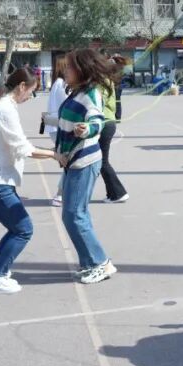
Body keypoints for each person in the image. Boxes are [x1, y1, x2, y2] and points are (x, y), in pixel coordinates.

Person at [0, 67, 55, 294]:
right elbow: (22, 148)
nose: (31, 96)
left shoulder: (5, 105)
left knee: (16, 228)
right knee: (23, 229)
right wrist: (55, 155)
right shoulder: (5, 109)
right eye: (31, 91)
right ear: (21, 87)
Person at [55, 48, 118, 285]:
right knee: (76, 214)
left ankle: (100, 263)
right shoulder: (77, 91)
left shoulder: (91, 93)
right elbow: (69, 120)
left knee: (73, 215)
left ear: (82, 69)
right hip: (73, 160)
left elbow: (97, 120)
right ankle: (90, 262)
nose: (66, 70)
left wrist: (87, 129)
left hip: (84, 160)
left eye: (70, 67)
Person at [98, 65, 129, 204]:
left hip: (105, 123)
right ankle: (112, 193)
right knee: (101, 161)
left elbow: (99, 102)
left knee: (102, 161)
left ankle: (119, 193)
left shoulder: (102, 83)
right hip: (107, 122)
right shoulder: (106, 81)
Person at [44, 57, 69, 207]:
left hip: (56, 127)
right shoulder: (61, 84)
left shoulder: (58, 83)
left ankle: (61, 193)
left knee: (68, 161)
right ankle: (59, 194)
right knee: (68, 161)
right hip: (59, 127)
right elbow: (66, 104)